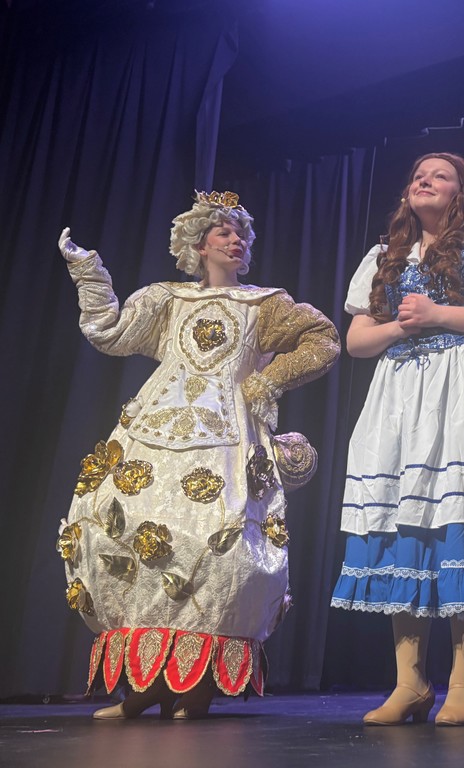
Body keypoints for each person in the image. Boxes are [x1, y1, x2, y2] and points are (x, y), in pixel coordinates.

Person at [58, 192, 340, 719]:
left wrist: (267, 382)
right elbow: (109, 332)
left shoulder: (263, 302)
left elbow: (322, 338)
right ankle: (147, 683)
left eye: (242, 235)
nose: (236, 242)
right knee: (133, 535)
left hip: (227, 435)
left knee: (221, 545)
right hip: (155, 429)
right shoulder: (168, 298)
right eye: (224, 233)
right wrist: (90, 276)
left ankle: (199, 680)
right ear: (198, 243)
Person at [331, 152, 464, 727]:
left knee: (458, 519)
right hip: (398, 392)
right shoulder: (383, 256)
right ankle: (409, 682)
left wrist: (438, 313)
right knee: (401, 524)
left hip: (460, 383)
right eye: (418, 174)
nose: (424, 179)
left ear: (460, 195)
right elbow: (356, 342)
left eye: (439, 175)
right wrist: (403, 325)